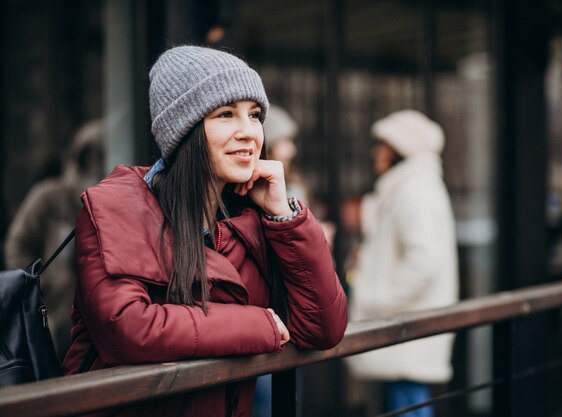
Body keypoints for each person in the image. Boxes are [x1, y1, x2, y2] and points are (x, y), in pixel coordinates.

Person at [61, 46, 348, 417]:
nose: (249, 132)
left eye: (255, 115)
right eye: (226, 114)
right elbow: (128, 327)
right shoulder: (115, 207)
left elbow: (323, 328)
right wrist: (257, 325)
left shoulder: (249, 216)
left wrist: (285, 216)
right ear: (186, 130)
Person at [346, 110, 459, 417]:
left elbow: (423, 261)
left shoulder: (414, 191)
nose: (376, 152)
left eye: (382, 145)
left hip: (407, 330)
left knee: (409, 406)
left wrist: (379, 300)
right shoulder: (411, 188)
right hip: (404, 333)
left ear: (399, 150)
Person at [4, 120, 105, 359]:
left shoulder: (109, 203)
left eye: (100, 155)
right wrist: (38, 286)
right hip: (53, 316)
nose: (95, 163)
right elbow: (17, 244)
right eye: (89, 156)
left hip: (95, 319)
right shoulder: (48, 197)